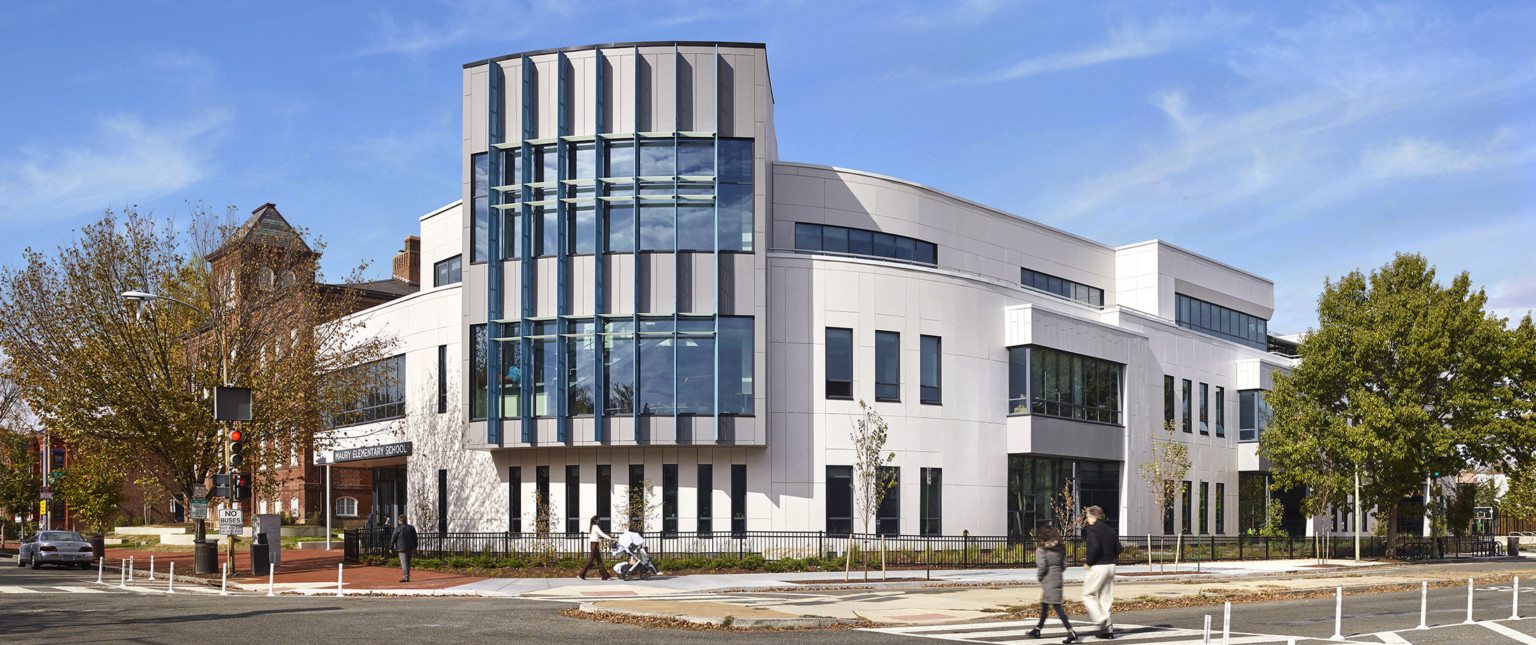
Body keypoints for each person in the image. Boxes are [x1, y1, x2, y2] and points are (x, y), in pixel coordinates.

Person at [1027, 526, 1078, 643]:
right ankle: (1038, 629)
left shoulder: (1042, 550)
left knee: (1057, 607)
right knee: (1045, 605)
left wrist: (1040, 577)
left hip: (1047, 579)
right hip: (1058, 578)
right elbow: (1065, 564)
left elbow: (1042, 566)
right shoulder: (1060, 549)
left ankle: (1071, 631)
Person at [1080, 506, 1121, 640]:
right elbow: (1118, 548)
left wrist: (1089, 562)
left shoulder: (1093, 529)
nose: (1087, 519)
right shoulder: (1109, 529)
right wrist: (1110, 556)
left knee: (1087, 594)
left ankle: (1101, 619)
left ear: (1092, 516)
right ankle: (1108, 631)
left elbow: (1095, 546)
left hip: (1099, 566)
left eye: (1087, 517)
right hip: (1111, 566)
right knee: (1106, 599)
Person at [579, 516, 613, 581]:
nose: (599, 521)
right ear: (596, 520)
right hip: (594, 545)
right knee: (590, 561)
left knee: (599, 561)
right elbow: (602, 534)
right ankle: (581, 574)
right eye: (598, 520)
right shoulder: (595, 527)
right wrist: (611, 538)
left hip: (594, 545)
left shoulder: (592, 527)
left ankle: (605, 576)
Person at [391, 513, 418, 583]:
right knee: (408, 562)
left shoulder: (397, 528)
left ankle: (406, 577)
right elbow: (415, 538)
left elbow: (393, 539)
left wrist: (391, 548)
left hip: (401, 548)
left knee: (404, 563)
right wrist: (415, 546)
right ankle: (407, 576)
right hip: (410, 547)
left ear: (399, 520)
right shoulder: (411, 528)